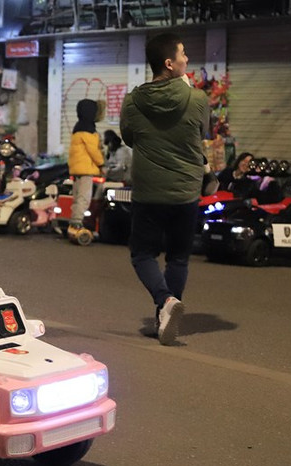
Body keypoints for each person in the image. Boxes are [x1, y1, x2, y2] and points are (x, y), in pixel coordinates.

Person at [120, 33, 208, 345]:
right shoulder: (197, 100)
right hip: (185, 191)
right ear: (169, 64)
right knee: (179, 258)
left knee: (143, 254)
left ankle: (165, 304)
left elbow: (130, 138)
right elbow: (204, 133)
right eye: (183, 54)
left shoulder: (133, 101)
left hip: (149, 191)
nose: (187, 59)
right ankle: (166, 307)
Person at [68, 99, 104, 230]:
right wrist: (101, 164)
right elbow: (93, 150)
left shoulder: (78, 128)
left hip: (77, 169)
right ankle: (77, 222)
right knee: (84, 198)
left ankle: (73, 221)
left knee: (77, 197)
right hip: (86, 170)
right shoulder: (88, 130)